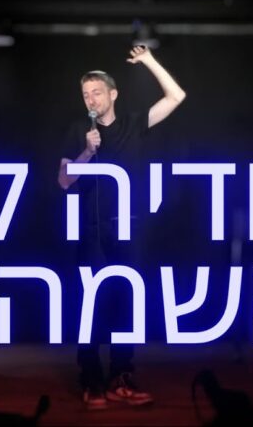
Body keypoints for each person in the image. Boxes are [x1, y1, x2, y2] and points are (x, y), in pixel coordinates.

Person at [57, 45, 186, 409]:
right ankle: (91, 378)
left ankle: (121, 376)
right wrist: (86, 152)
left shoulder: (132, 124)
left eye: (97, 92)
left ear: (113, 94)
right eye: (86, 94)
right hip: (92, 232)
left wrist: (149, 61)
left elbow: (176, 96)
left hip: (127, 230)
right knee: (91, 306)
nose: (91, 99)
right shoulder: (79, 131)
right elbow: (64, 181)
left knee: (126, 304)